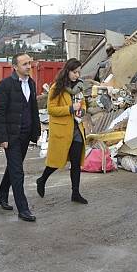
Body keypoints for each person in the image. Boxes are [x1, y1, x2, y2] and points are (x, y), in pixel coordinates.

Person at [0, 53, 41, 222]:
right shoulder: (4, 86)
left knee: (14, 167)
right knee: (17, 172)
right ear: (15, 67)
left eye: (30, 63)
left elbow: (33, 109)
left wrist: (37, 131)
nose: (29, 66)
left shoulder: (32, 84)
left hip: (26, 134)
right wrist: (2, 137)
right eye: (25, 64)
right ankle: (23, 209)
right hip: (11, 136)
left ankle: (1, 194)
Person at [35, 58, 88, 204]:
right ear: (67, 71)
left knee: (76, 163)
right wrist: (70, 109)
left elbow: (83, 104)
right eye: (74, 72)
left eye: (79, 72)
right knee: (57, 161)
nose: (77, 75)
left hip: (77, 129)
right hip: (62, 130)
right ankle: (42, 179)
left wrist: (82, 110)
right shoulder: (57, 87)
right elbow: (51, 109)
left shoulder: (79, 87)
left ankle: (75, 193)